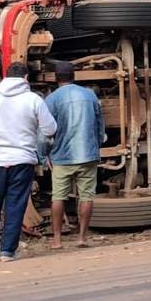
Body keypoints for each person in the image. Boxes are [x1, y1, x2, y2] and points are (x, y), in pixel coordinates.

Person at [0, 61, 57, 264]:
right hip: (22, 160)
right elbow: (50, 128)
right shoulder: (33, 99)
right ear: (26, 78)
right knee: (15, 206)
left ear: (6, 76)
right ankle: (7, 252)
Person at [44, 61, 105, 249]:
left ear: (56, 78)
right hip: (88, 155)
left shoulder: (51, 100)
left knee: (58, 197)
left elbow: (45, 132)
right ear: (74, 76)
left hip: (62, 156)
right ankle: (82, 237)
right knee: (86, 196)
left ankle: (57, 240)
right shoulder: (90, 95)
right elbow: (99, 125)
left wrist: (44, 155)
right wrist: (97, 143)